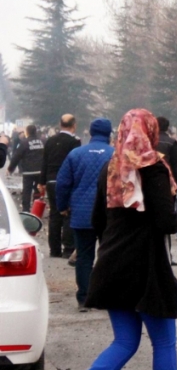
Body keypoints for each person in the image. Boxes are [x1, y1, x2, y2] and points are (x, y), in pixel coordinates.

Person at [55, 109, 177, 370]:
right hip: (146, 267)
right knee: (163, 343)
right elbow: (164, 221)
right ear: (150, 132)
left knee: (124, 341)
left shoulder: (112, 167)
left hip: (112, 265)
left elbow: (97, 220)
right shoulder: (153, 167)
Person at [55, 118, 115, 312]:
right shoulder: (115, 155)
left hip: (82, 213)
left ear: (90, 133)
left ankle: (84, 298)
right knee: (108, 255)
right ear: (109, 134)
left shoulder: (76, 154)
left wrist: (62, 206)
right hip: (109, 214)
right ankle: (105, 295)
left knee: (84, 257)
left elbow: (63, 183)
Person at [39, 114, 81, 258]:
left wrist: (41, 182)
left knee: (54, 215)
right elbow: (76, 164)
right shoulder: (74, 142)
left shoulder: (50, 141)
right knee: (68, 213)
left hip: (51, 181)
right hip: (67, 181)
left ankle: (54, 249)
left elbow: (44, 162)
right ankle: (68, 248)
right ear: (74, 125)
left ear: (60, 124)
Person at [6, 124, 44, 211]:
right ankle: (36, 209)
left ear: (27, 132)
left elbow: (17, 156)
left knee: (27, 190)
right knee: (38, 190)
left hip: (28, 171)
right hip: (40, 171)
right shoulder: (42, 141)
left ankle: (26, 210)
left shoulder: (24, 142)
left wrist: (10, 168)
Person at [155, 116, 177, 201]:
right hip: (168, 180)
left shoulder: (148, 141)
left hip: (150, 180)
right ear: (167, 128)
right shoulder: (171, 142)